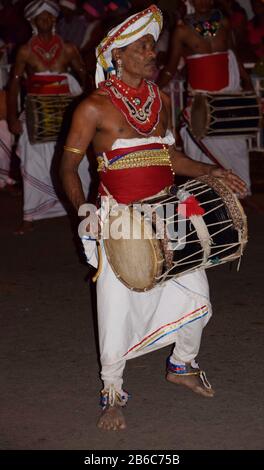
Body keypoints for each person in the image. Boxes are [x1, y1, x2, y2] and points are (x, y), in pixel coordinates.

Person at [60, 4, 246, 431]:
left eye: (152, 45)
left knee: (198, 297)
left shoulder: (159, 99)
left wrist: (210, 170)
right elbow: (68, 169)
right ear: (117, 56)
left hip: (169, 209)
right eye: (142, 47)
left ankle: (181, 364)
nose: (152, 52)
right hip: (119, 217)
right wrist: (85, 213)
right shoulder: (93, 107)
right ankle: (112, 391)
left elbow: (170, 156)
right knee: (116, 308)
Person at [7, 0, 90, 234]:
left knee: (77, 162)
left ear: (54, 20)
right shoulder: (25, 50)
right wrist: (13, 117)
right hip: (36, 115)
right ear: (33, 21)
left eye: (49, 17)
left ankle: (81, 208)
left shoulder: (69, 49)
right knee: (32, 164)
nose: (45, 21)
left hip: (66, 113)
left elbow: (84, 75)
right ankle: (31, 214)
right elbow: (14, 85)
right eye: (40, 18)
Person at [157, 0, 253, 196]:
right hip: (202, 105)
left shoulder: (224, 23)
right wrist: (153, 89)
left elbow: (233, 55)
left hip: (228, 101)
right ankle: (210, 197)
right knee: (201, 154)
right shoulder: (182, 29)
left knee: (236, 148)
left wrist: (247, 81)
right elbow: (171, 67)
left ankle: (237, 196)